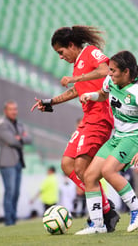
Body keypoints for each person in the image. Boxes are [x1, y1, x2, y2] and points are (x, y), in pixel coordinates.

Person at [31, 25, 120, 232]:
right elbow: (75, 91)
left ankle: (101, 218)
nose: (61, 57)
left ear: (71, 45)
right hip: (87, 120)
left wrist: (76, 78)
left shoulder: (89, 53)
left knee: (82, 168)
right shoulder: (77, 66)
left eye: (61, 52)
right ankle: (106, 208)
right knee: (67, 164)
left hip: (99, 118)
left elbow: (106, 70)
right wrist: (51, 101)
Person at [75, 50, 138, 235]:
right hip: (118, 137)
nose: (109, 73)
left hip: (135, 137)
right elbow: (103, 95)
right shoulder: (110, 81)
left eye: (113, 70)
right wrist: (91, 95)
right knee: (89, 176)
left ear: (126, 72)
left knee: (108, 170)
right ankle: (98, 225)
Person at [0, 100, 32, 226]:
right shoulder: (2, 124)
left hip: (18, 161)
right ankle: (8, 220)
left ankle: (13, 218)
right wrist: (19, 138)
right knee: (10, 191)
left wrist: (19, 138)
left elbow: (29, 139)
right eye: (11, 109)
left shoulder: (19, 124)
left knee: (16, 192)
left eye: (15, 109)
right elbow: (11, 140)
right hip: (7, 162)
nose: (14, 112)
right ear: (5, 111)